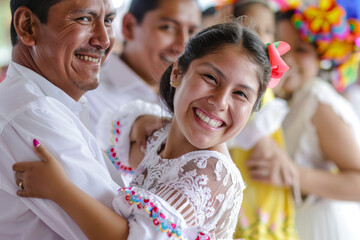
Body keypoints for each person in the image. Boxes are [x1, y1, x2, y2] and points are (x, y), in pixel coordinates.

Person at [12, 20, 287, 239]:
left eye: (241, 94)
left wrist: (59, 189)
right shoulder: (161, 136)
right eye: (211, 78)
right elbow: (125, 134)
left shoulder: (209, 173)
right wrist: (143, 122)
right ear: (177, 72)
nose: (219, 102)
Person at [0, 0, 124, 239]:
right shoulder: (32, 112)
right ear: (27, 27)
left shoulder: (43, 103)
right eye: (84, 19)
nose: (104, 40)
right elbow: (127, 233)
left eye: (108, 20)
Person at [248, 4, 360, 240]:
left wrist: (292, 174)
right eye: (280, 44)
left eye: (301, 49)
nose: (286, 57)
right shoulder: (282, 98)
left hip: (325, 226)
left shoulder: (316, 98)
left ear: (320, 58)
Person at [85, 0, 202, 185]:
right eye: (168, 27)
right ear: (129, 26)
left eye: (192, 32)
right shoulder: (88, 94)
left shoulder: (194, 103)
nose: (183, 45)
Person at [227, 1, 298, 239]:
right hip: (248, 161)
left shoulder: (267, 81)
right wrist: (264, 140)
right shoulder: (238, 78)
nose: (262, 36)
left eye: (268, 30)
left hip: (267, 169)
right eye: (252, 27)